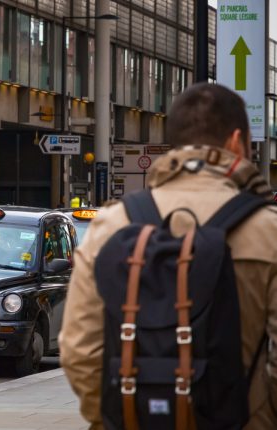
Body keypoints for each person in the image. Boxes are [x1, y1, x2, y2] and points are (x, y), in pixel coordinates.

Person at [59, 83, 277, 429]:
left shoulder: (110, 224)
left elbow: (79, 350)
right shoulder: (268, 230)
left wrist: (116, 418)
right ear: (237, 142)